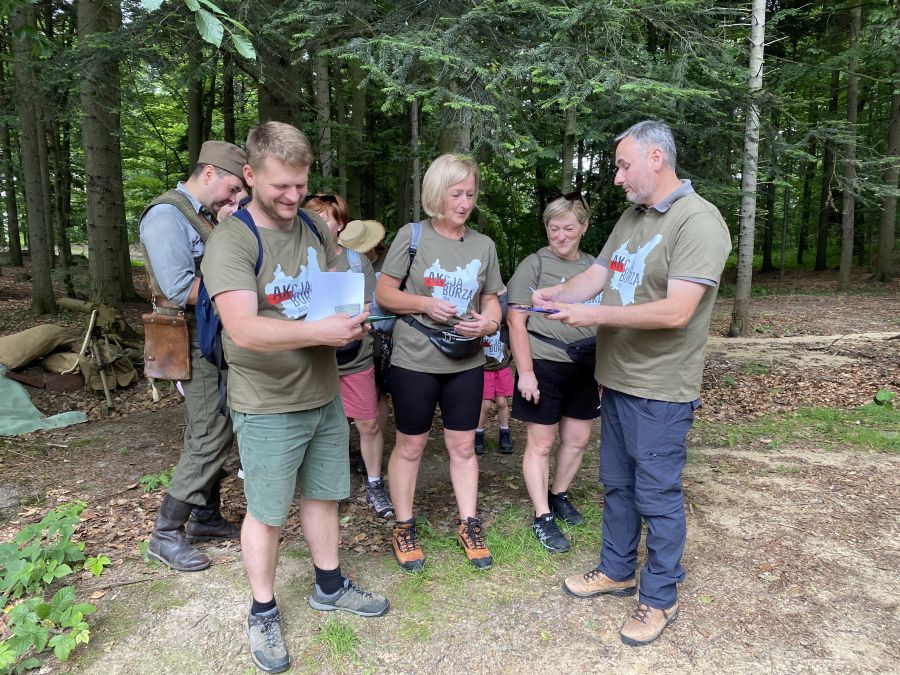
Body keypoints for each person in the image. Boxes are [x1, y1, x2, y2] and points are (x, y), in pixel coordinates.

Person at [201, 121, 389, 674]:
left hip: (322, 392)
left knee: (324, 495)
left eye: (300, 184)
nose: (292, 196)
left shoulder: (312, 225)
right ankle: (262, 610)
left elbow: (329, 294)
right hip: (266, 402)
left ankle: (329, 584)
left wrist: (349, 320)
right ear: (250, 175)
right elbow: (243, 329)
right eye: (280, 185)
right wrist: (319, 331)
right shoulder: (232, 241)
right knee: (266, 512)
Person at [535, 120, 731, 646]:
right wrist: (556, 296)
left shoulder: (699, 221)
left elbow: (676, 311)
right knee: (617, 486)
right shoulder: (632, 216)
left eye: (623, 165)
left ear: (655, 159)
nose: (617, 177)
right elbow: (598, 276)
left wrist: (593, 315)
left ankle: (660, 596)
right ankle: (617, 569)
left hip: (660, 389)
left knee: (656, 495)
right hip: (616, 380)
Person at [375, 153, 503, 572]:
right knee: (411, 446)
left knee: (463, 446)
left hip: (466, 360)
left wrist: (489, 323)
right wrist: (426, 304)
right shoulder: (412, 236)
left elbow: (491, 300)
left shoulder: (483, 245)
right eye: (456, 194)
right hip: (415, 358)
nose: (465, 203)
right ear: (437, 193)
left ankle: (469, 524)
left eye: (470, 194)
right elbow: (385, 294)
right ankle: (403, 525)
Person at [140, 140, 247, 572]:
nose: (235, 197)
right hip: (191, 339)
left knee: (214, 423)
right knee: (210, 431)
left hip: (211, 337)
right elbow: (179, 288)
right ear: (209, 173)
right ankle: (165, 534)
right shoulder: (167, 215)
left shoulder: (201, 215)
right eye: (233, 188)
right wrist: (242, 287)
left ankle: (204, 516)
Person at [507, 194, 601, 554]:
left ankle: (558, 494)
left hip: (587, 364)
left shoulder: (594, 267)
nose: (561, 236)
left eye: (568, 228)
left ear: (584, 227)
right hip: (544, 362)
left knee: (577, 438)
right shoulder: (533, 264)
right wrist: (525, 372)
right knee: (542, 442)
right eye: (554, 228)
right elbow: (516, 321)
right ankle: (542, 514)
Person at [303, 196, 394, 520]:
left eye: (325, 217)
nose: (318, 223)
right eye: (312, 217)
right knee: (327, 426)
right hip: (314, 359)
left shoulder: (357, 263)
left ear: (340, 223)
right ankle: (331, 485)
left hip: (355, 356)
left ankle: (374, 482)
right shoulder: (300, 258)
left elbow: (368, 306)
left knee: (368, 422)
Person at [475, 288, 514, 456]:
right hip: (485, 370)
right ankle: (478, 434)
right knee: (484, 405)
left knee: (502, 402)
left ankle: (504, 433)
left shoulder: (505, 326)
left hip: (502, 368)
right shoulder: (481, 327)